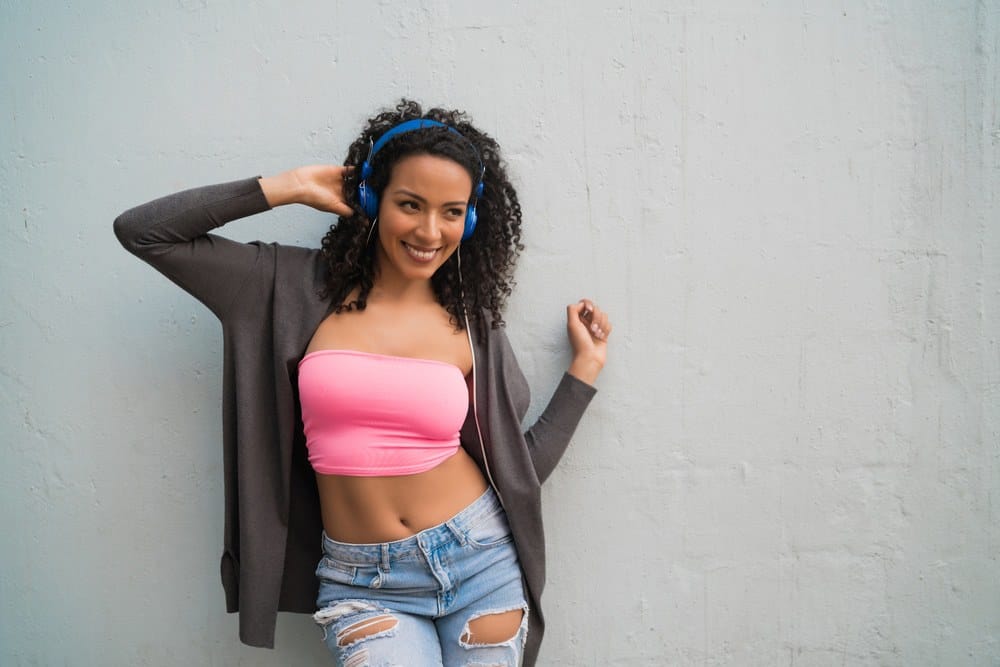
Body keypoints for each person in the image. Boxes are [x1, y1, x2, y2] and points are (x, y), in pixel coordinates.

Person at [113, 99, 611, 666]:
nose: (430, 230)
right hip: (362, 583)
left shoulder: (471, 323)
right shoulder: (284, 287)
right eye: (409, 204)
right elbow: (143, 233)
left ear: (470, 220)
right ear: (373, 199)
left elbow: (517, 471)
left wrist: (584, 373)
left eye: (452, 211)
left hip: (480, 561)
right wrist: (287, 186)